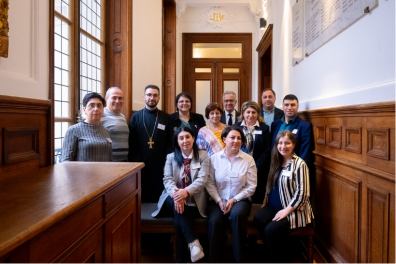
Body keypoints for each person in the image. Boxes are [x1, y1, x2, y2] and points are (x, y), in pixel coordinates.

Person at [253, 130, 314, 263]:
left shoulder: (300, 164)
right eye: (280, 143)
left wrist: (286, 211)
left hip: (295, 210)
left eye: (287, 143)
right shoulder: (276, 160)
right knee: (258, 218)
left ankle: (277, 258)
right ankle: (275, 250)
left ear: (293, 144)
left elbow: (303, 193)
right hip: (274, 206)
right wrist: (265, 201)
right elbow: (270, 185)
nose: (283, 146)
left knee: (270, 231)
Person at [152, 127, 209, 263]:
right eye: (181, 138)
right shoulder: (171, 157)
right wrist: (177, 195)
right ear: (177, 141)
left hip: (194, 200)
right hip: (171, 198)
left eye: (188, 137)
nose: (185, 141)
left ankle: (181, 260)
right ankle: (194, 242)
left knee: (180, 214)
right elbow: (167, 179)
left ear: (193, 138)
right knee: (179, 204)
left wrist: (186, 192)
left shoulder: (203, 156)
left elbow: (203, 179)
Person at [206, 126, 257, 264]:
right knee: (214, 221)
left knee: (237, 216)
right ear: (224, 139)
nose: (236, 141)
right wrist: (218, 201)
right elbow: (209, 183)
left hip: (240, 199)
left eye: (239, 138)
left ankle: (239, 259)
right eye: (232, 137)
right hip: (217, 200)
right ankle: (214, 260)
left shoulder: (248, 160)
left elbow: (251, 186)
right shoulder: (214, 159)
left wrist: (234, 200)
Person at [128, 85, 173, 203]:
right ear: (144, 97)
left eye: (155, 95)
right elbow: (132, 142)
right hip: (141, 161)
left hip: (160, 162)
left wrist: (166, 163)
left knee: (159, 192)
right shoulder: (136, 116)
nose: (152, 98)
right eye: (149, 95)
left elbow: (170, 142)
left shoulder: (165, 117)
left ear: (159, 98)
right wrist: (135, 163)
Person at [235, 101, 271, 203]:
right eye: (248, 112)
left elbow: (267, 150)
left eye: (254, 112)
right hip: (239, 166)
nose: (251, 115)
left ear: (257, 114)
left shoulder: (264, 128)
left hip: (258, 168)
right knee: (239, 194)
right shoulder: (236, 127)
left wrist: (256, 166)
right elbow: (233, 147)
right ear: (243, 113)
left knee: (256, 195)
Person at [62, 92, 112, 162]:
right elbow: (66, 160)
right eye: (91, 105)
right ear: (84, 110)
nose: (96, 109)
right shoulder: (73, 130)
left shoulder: (106, 131)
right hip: (82, 172)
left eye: (99, 105)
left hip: (105, 172)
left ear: (103, 109)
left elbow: (110, 158)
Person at [271, 94, 314, 165]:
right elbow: (273, 146)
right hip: (276, 165)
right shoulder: (275, 124)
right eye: (286, 105)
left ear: (297, 107)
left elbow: (306, 152)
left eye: (293, 105)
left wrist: (295, 169)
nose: (289, 107)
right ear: (283, 107)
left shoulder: (305, 126)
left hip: (293, 167)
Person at [100, 87, 129, 161]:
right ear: (106, 99)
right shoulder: (100, 115)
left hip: (124, 162)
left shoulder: (123, 117)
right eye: (114, 98)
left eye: (120, 98)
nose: (117, 101)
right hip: (108, 163)